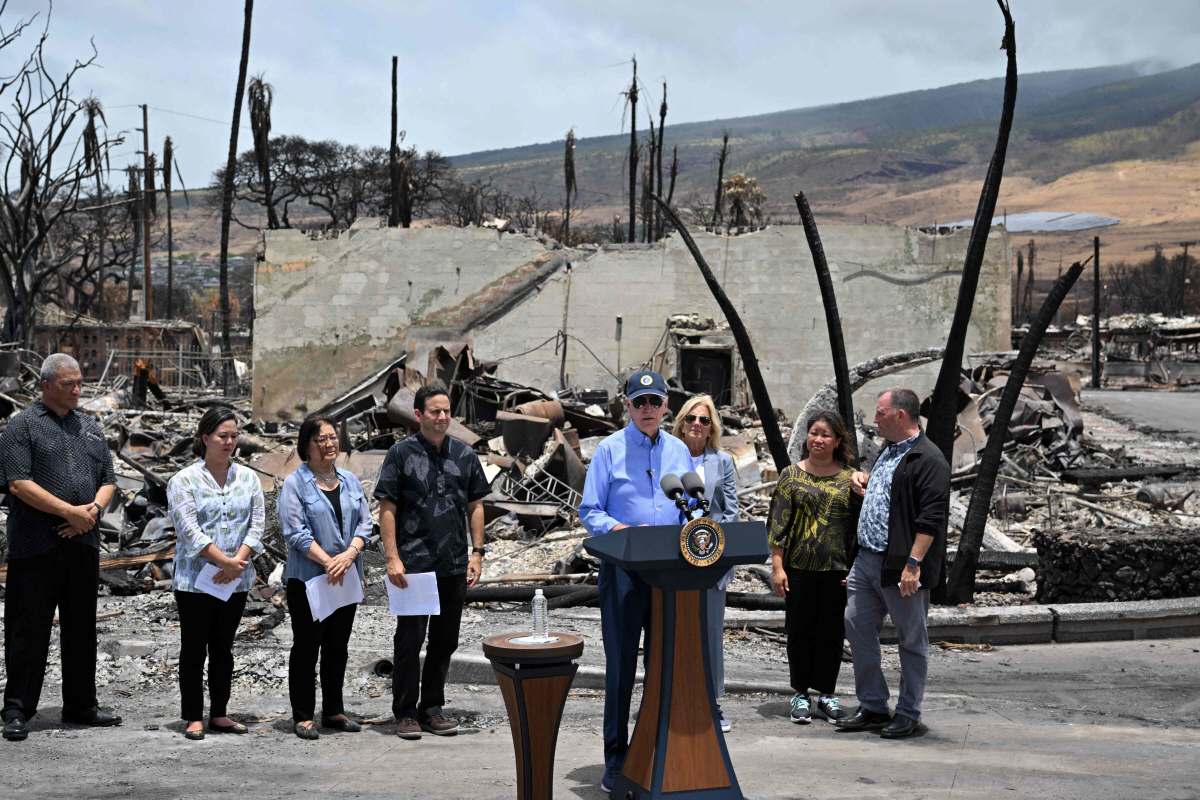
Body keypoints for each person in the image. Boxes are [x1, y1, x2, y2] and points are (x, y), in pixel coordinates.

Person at [579, 370, 694, 794]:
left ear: (667, 405)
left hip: (670, 572)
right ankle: (616, 759)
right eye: (639, 401)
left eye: (655, 401)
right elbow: (590, 511)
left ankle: (657, 751)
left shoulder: (681, 451)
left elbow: (690, 507)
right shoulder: (608, 450)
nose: (647, 409)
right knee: (622, 668)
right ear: (626, 405)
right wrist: (621, 530)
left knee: (663, 666)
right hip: (624, 572)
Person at [1, 354, 120, 742]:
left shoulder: (89, 427)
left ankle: (81, 705)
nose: (77, 390)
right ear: (47, 385)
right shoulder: (21, 427)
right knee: (28, 628)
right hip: (36, 544)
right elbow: (18, 483)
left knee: (81, 626)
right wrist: (69, 510)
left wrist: (93, 511)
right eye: (69, 384)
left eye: (80, 383)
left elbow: (108, 478)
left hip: (83, 541)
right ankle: (17, 709)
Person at [376, 385, 490, 741]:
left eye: (446, 411)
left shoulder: (465, 454)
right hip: (413, 566)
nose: (442, 417)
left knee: (445, 641)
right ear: (419, 415)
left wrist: (477, 552)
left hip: (454, 563)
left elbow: (476, 505)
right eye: (435, 411)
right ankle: (405, 712)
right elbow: (387, 508)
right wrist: (392, 558)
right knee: (410, 640)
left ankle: (432, 709)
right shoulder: (400, 454)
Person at [836, 388, 949, 739]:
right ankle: (872, 705)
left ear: (900, 415)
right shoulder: (890, 451)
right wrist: (865, 480)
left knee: (911, 640)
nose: (875, 420)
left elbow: (931, 519)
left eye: (880, 413)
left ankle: (908, 711)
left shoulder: (929, 459)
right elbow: (892, 493)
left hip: (900, 566)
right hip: (867, 560)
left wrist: (913, 564)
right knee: (856, 627)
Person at [167, 407, 265, 741]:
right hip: (196, 580)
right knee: (194, 648)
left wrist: (236, 561)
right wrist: (221, 559)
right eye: (223, 436)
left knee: (223, 649)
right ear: (206, 438)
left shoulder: (248, 477)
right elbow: (188, 529)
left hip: (235, 578)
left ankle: (220, 713)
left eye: (234, 436)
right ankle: (194, 716)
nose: (229, 442)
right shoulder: (183, 480)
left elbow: (257, 522)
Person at [278, 415, 372, 740]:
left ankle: (333, 710)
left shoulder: (350, 481)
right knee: (307, 646)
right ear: (306, 445)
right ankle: (303, 714)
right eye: (321, 439)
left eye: (333, 437)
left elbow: (365, 524)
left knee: (337, 646)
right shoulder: (294, 483)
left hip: (345, 576)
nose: (329, 443)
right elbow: (295, 532)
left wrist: (350, 555)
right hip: (309, 580)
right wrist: (329, 560)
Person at [768, 410, 859, 726]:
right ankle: (800, 694)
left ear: (837, 441)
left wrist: (856, 567)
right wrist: (778, 569)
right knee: (799, 631)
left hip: (838, 571)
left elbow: (860, 528)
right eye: (814, 433)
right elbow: (778, 526)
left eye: (826, 435)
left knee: (832, 633)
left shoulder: (851, 479)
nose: (818, 439)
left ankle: (827, 696)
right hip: (798, 569)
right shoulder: (791, 476)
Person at [671, 393, 738, 733]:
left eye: (704, 420)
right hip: (669, 559)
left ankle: (712, 703)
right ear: (681, 422)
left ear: (712, 428)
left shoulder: (721, 461)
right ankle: (671, 701)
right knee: (672, 633)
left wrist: (712, 546)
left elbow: (731, 511)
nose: (696, 425)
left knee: (709, 634)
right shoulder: (666, 456)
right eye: (691, 418)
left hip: (709, 557)